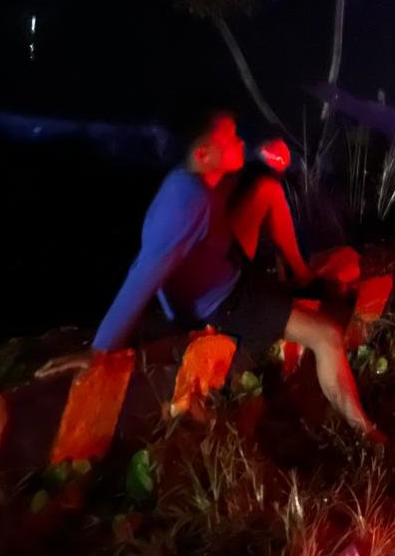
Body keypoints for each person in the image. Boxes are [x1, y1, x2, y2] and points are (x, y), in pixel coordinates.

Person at [86, 111, 376, 436]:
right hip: (228, 304)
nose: (240, 142)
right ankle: (367, 433)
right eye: (231, 138)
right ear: (203, 154)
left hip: (227, 267)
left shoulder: (192, 179)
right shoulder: (187, 203)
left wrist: (265, 157)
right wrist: (101, 351)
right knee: (327, 336)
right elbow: (145, 273)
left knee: (267, 190)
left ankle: (303, 278)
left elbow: (241, 162)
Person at [228, 137, 313, 286]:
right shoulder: (269, 187)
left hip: (213, 256)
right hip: (232, 268)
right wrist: (306, 277)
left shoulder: (235, 177)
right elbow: (285, 238)